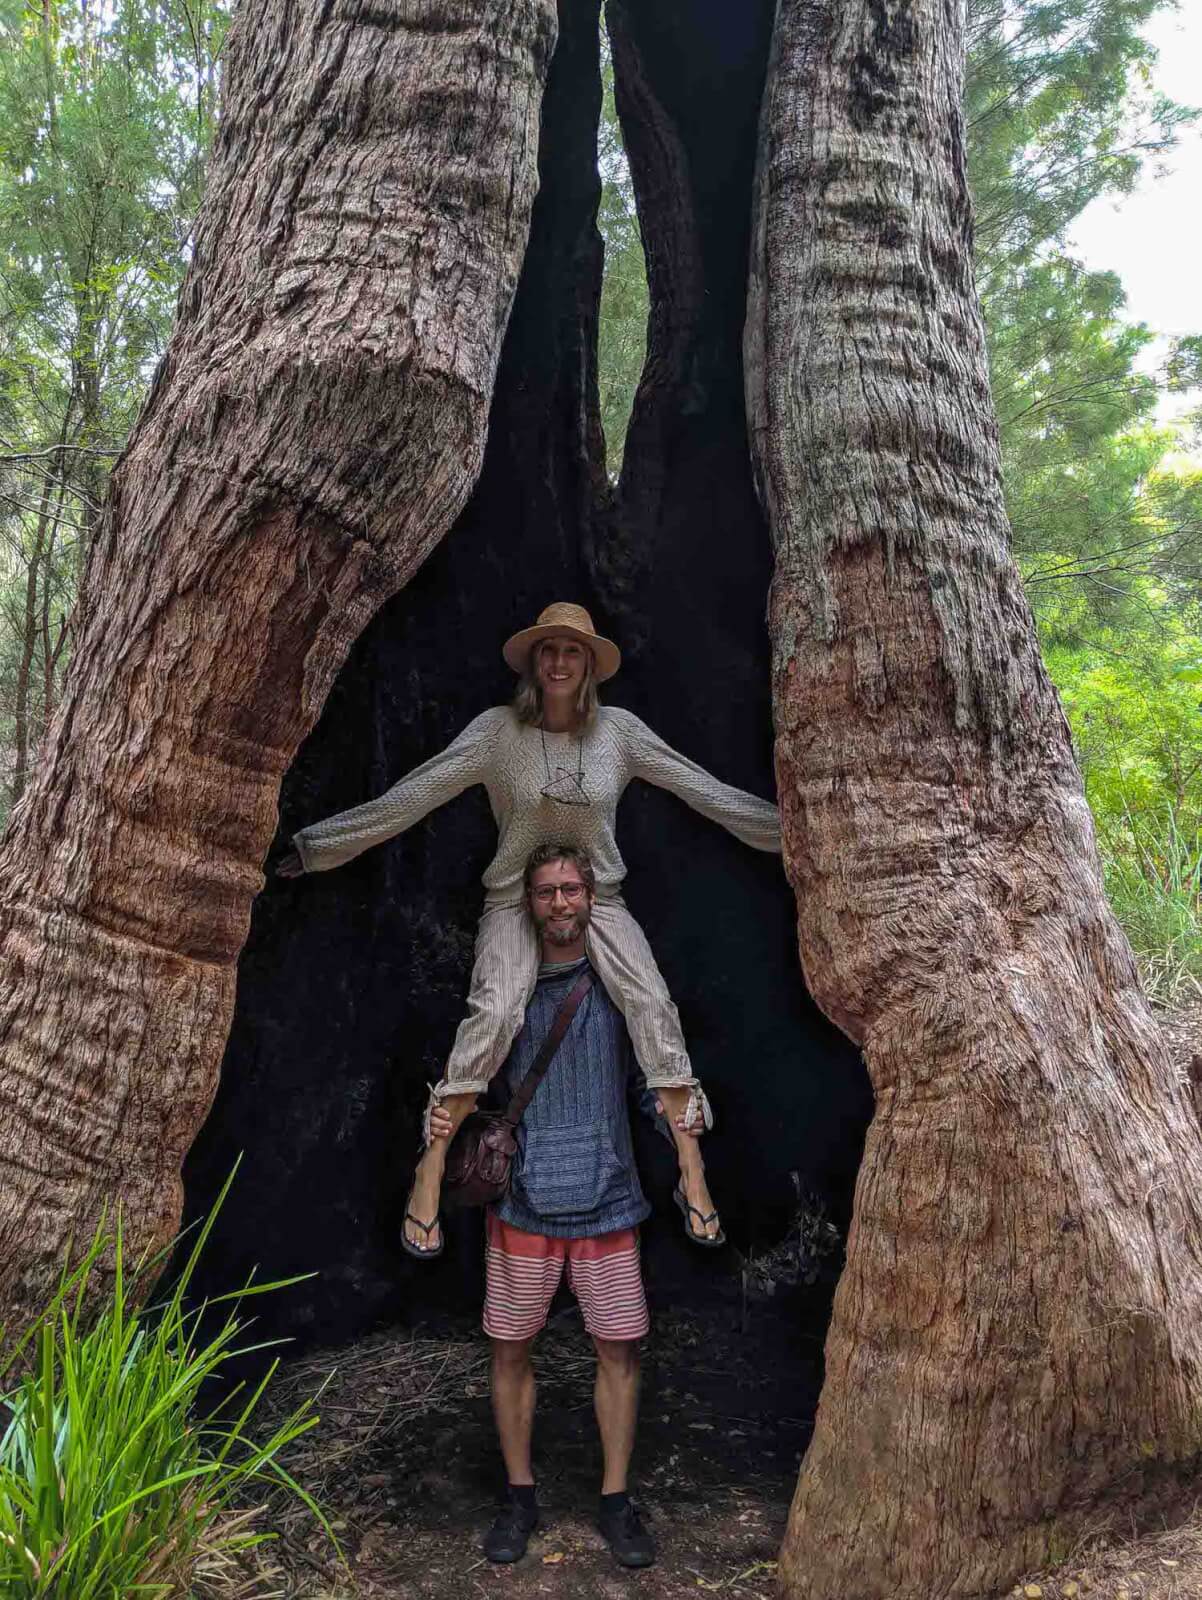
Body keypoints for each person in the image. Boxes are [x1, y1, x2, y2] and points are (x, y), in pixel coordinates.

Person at [278, 601, 781, 1255]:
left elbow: (702, 789)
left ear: (590, 665)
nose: (560, 661)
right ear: (533, 662)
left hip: (597, 900)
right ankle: (428, 1175)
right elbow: (412, 795)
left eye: (573, 651)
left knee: (652, 1003)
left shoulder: (620, 733)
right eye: (549, 650)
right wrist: (318, 847)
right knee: (493, 1013)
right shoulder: (497, 734)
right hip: (515, 900)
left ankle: (693, 1175)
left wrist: (793, 836)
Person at [428, 842, 706, 1568]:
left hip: (609, 1200)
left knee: (618, 1349)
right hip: (522, 1205)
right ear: (527, 903)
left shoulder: (617, 982)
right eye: (547, 891)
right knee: (511, 1348)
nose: (560, 903)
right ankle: (519, 1497)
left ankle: (616, 1501)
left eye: (571, 890)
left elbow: (653, 1072)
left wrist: (681, 1120)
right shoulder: (508, 990)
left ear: (592, 898)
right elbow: (478, 1073)